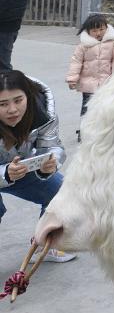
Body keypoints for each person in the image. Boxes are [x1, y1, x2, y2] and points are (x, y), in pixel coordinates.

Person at [0, 70, 76, 261]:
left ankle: (45, 244)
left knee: (60, 191)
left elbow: (53, 146)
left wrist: (50, 162)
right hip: (9, 170)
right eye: (3, 104)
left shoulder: (43, 111)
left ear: (28, 96)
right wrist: (6, 173)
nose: (12, 109)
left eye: (18, 100)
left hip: (20, 167)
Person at [66, 13, 114, 120]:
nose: (98, 33)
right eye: (94, 31)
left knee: (106, 107)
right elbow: (76, 62)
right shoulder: (83, 46)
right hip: (88, 83)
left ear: (106, 28)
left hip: (107, 82)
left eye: (101, 29)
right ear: (88, 31)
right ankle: (83, 130)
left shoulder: (113, 43)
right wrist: (72, 79)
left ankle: (102, 129)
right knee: (87, 107)